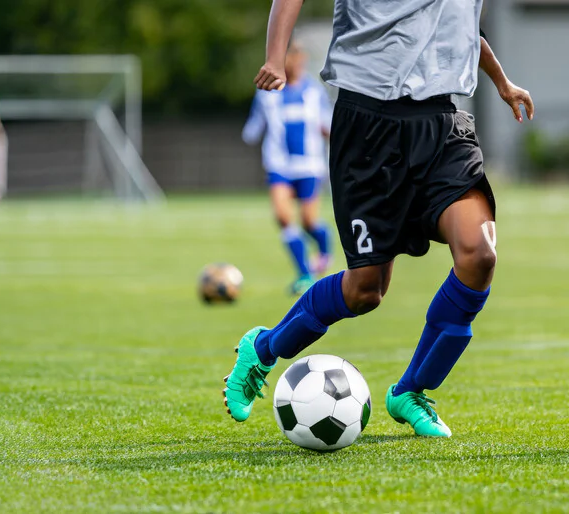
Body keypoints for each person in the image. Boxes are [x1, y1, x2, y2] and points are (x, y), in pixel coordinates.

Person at [223, 0, 534, 437]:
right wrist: (275, 57)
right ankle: (264, 348)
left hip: (442, 124)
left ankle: (412, 390)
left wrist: (501, 81)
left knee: (479, 255)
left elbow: (455, 26)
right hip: (368, 127)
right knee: (366, 291)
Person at [242, 40, 333, 295]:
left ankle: (326, 250)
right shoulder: (267, 93)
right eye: (292, 56)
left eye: (300, 57)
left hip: (310, 166)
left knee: (308, 221)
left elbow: (328, 125)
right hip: (279, 165)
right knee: (283, 217)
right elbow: (254, 126)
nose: (297, 62)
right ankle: (305, 274)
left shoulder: (314, 92)